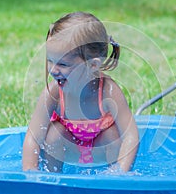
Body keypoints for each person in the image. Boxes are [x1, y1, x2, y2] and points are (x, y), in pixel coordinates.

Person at [22, 12, 139, 173]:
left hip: (101, 149)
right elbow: (33, 138)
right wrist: (30, 173)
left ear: (92, 66)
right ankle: (52, 179)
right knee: (54, 133)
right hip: (67, 149)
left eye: (62, 64)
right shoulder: (54, 93)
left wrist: (120, 173)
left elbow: (131, 137)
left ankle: (109, 181)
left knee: (113, 135)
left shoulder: (108, 91)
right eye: (50, 60)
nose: (53, 70)